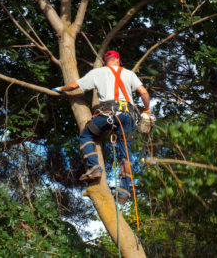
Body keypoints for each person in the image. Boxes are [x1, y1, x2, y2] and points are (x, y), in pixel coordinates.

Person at [52, 50, 152, 204]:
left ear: (106, 62)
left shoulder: (97, 72)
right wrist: (147, 110)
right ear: (118, 61)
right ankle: (124, 192)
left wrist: (60, 89)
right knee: (125, 155)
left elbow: (74, 85)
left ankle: (94, 168)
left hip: (109, 114)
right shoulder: (129, 74)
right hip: (128, 117)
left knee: (86, 135)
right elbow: (144, 93)